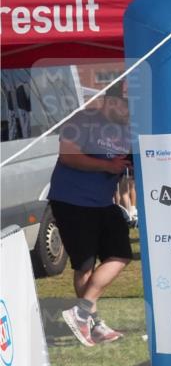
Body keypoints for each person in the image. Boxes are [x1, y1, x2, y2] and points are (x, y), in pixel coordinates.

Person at [49, 82, 132, 346]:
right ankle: (94, 325)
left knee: (120, 254)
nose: (127, 111)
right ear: (109, 101)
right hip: (71, 200)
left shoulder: (129, 131)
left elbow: (133, 165)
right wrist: (107, 165)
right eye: (123, 105)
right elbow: (68, 155)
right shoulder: (84, 119)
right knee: (85, 265)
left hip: (102, 204)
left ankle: (82, 311)